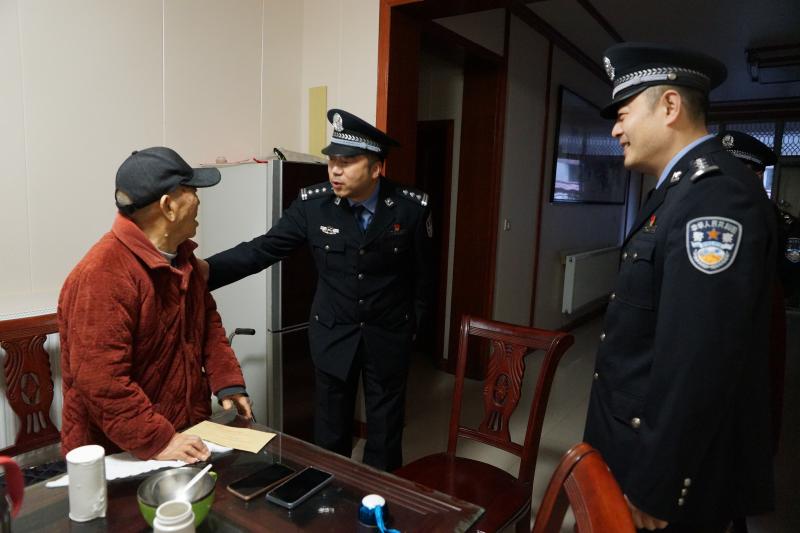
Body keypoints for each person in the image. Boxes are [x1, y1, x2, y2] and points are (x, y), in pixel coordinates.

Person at [583, 43, 776, 532]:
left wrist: (660, 482)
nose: (615, 130)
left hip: (663, 467)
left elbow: (699, 359)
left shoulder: (716, 196)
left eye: (622, 114)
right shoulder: (679, 190)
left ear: (669, 106)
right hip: (629, 437)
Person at [201, 109, 434, 471]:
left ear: (376, 168)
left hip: (389, 334)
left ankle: (380, 499)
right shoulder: (314, 206)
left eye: (347, 162)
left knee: (386, 432)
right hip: (333, 333)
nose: (334, 171)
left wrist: (411, 326)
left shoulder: (410, 207)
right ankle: (330, 494)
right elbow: (263, 248)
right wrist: (202, 272)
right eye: (331, 161)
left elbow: (423, 275)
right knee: (329, 432)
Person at [58, 147, 252, 463]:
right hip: (120, 453)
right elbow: (102, 381)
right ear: (167, 206)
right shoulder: (103, 274)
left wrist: (228, 382)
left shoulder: (184, 260)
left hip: (184, 434)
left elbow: (208, 326)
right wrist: (158, 440)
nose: (199, 199)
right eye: (191, 190)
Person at [719, 130, 795, 455]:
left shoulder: (775, 219)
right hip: (718, 315)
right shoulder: (707, 209)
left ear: (756, 173)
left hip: (758, 309)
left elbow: (787, 276)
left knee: (755, 389)